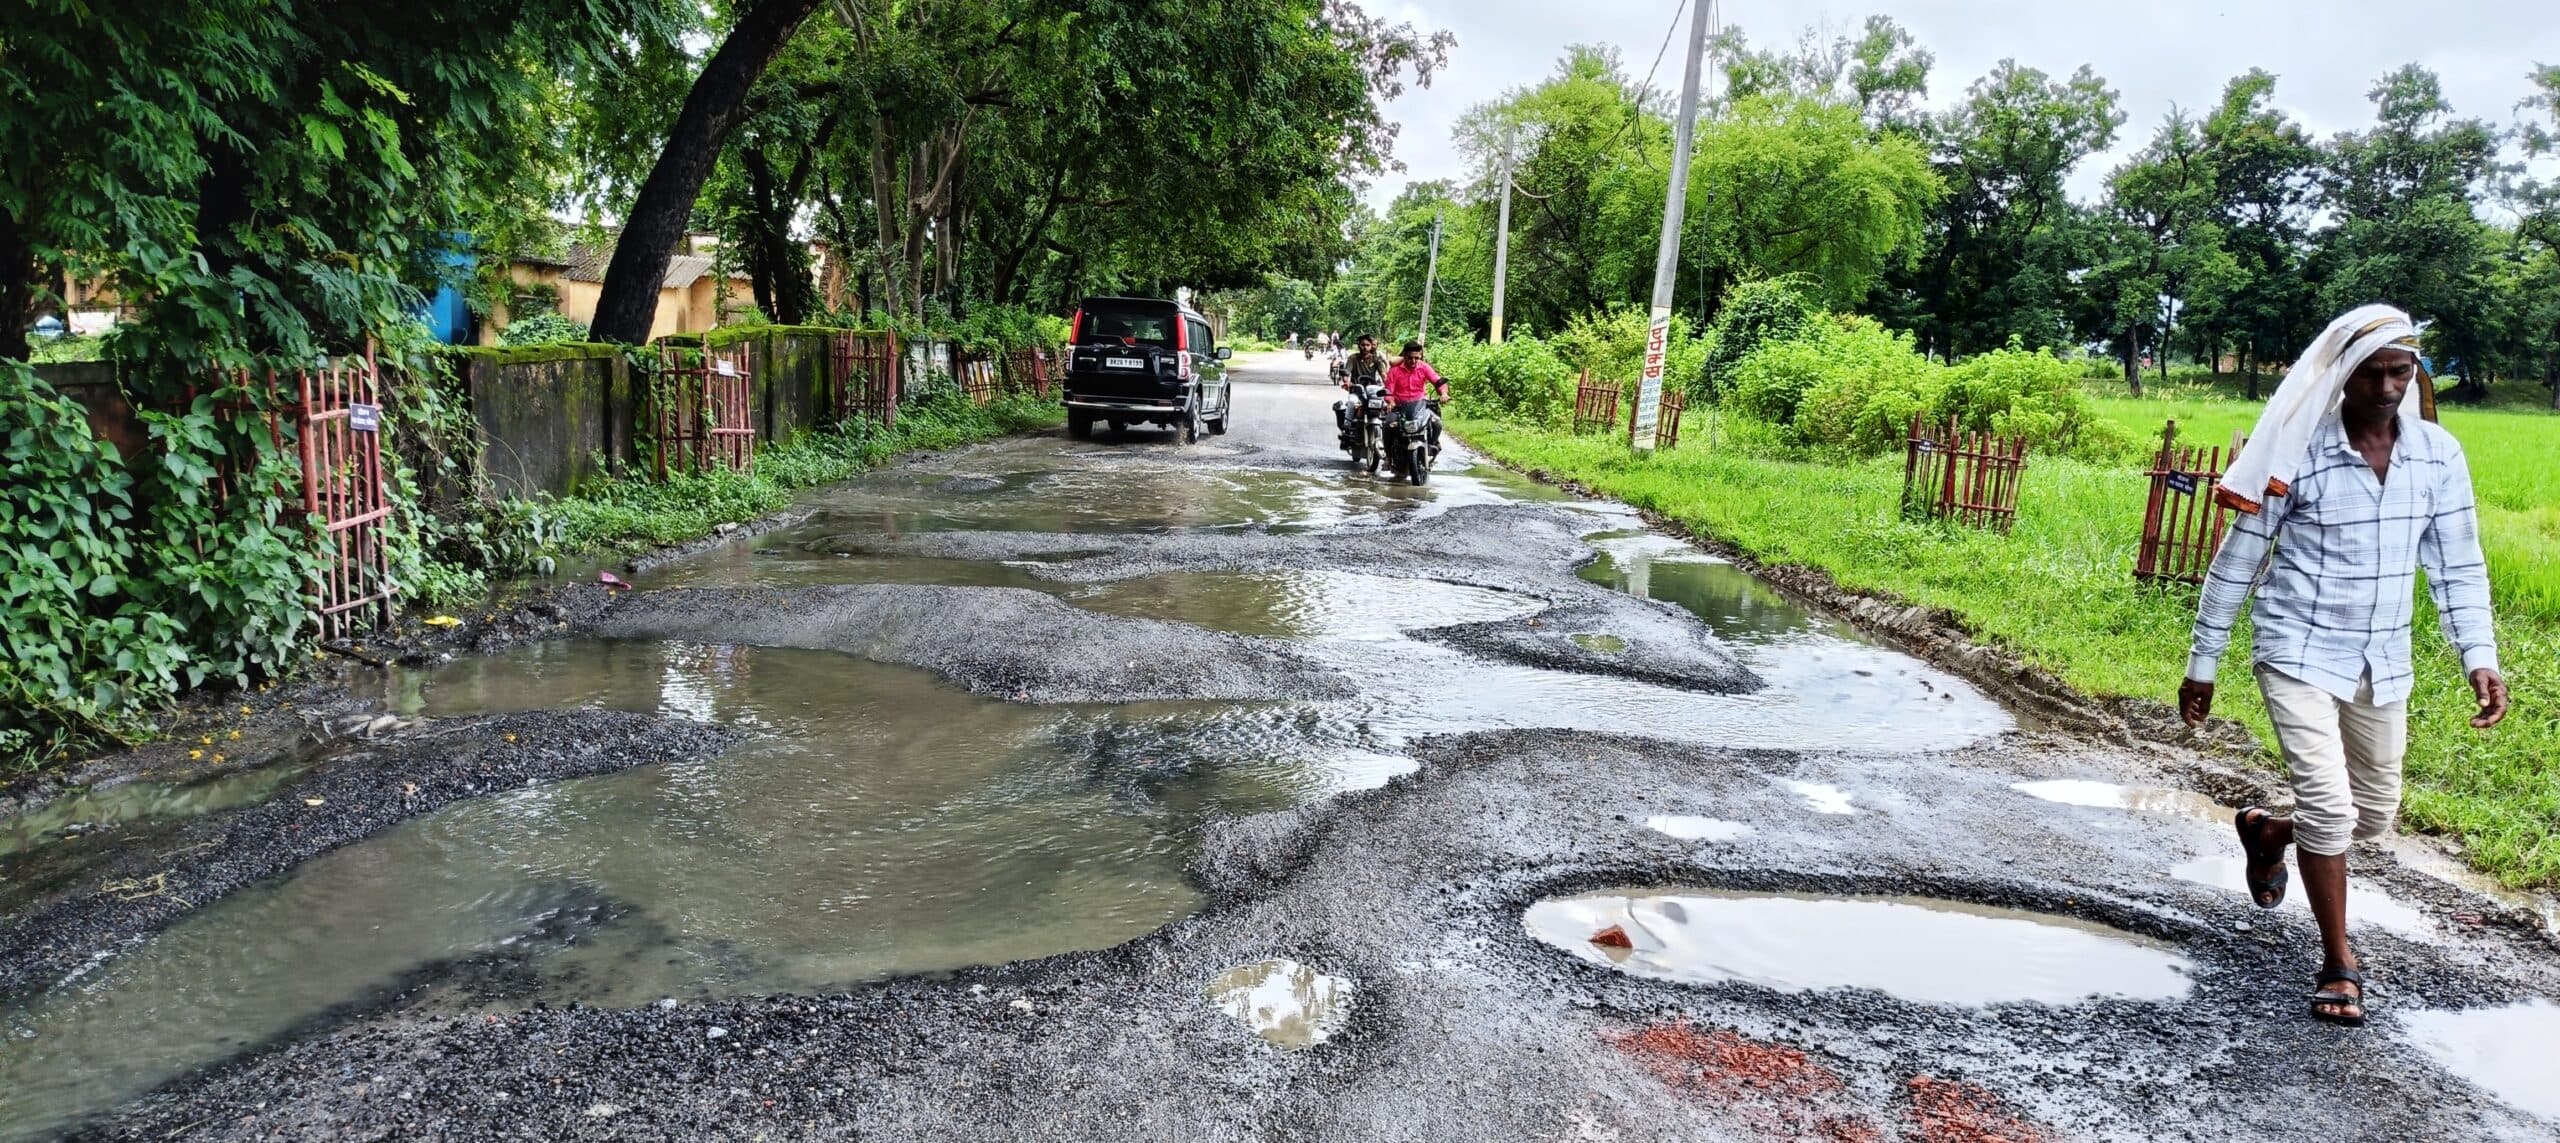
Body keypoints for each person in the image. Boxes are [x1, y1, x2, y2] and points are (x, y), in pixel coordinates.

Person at [2180, 303, 2508, 1028]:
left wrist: (2477, 656)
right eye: (2373, 373)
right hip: (2296, 647)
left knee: (2374, 813)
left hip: (2381, 657)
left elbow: (2458, 564)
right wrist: (2204, 661)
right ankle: (2338, 960)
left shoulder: (2437, 456)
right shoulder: (2299, 455)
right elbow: (2240, 559)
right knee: (2331, 808)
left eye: (2402, 370)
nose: (2390, 386)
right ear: (2341, 378)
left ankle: (2268, 832)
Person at [1382, 339, 1447, 452]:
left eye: (1416, 358)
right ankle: (1388, 456)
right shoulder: (1394, 371)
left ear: (1420, 357)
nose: (1413, 361)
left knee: (1437, 423)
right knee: (1388, 425)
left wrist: (1444, 393)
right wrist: (1390, 402)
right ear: (1404, 356)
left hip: (1420, 406)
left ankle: (1433, 443)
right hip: (1399, 407)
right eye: (1410, 358)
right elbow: (1388, 390)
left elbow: (1438, 381)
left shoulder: (1424, 367)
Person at [1334, 335, 1389, 446]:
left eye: (1367, 345)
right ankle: (1347, 429)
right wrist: (1347, 382)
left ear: (1371, 346)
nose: (1365, 347)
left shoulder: (1376, 359)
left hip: (1372, 390)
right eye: (1363, 345)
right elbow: (1347, 373)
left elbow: (1384, 375)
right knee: (1352, 402)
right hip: (1356, 389)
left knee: (1383, 405)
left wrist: (1389, 385)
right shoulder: (1353, 358)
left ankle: (1386, 430)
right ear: (1359, 345)